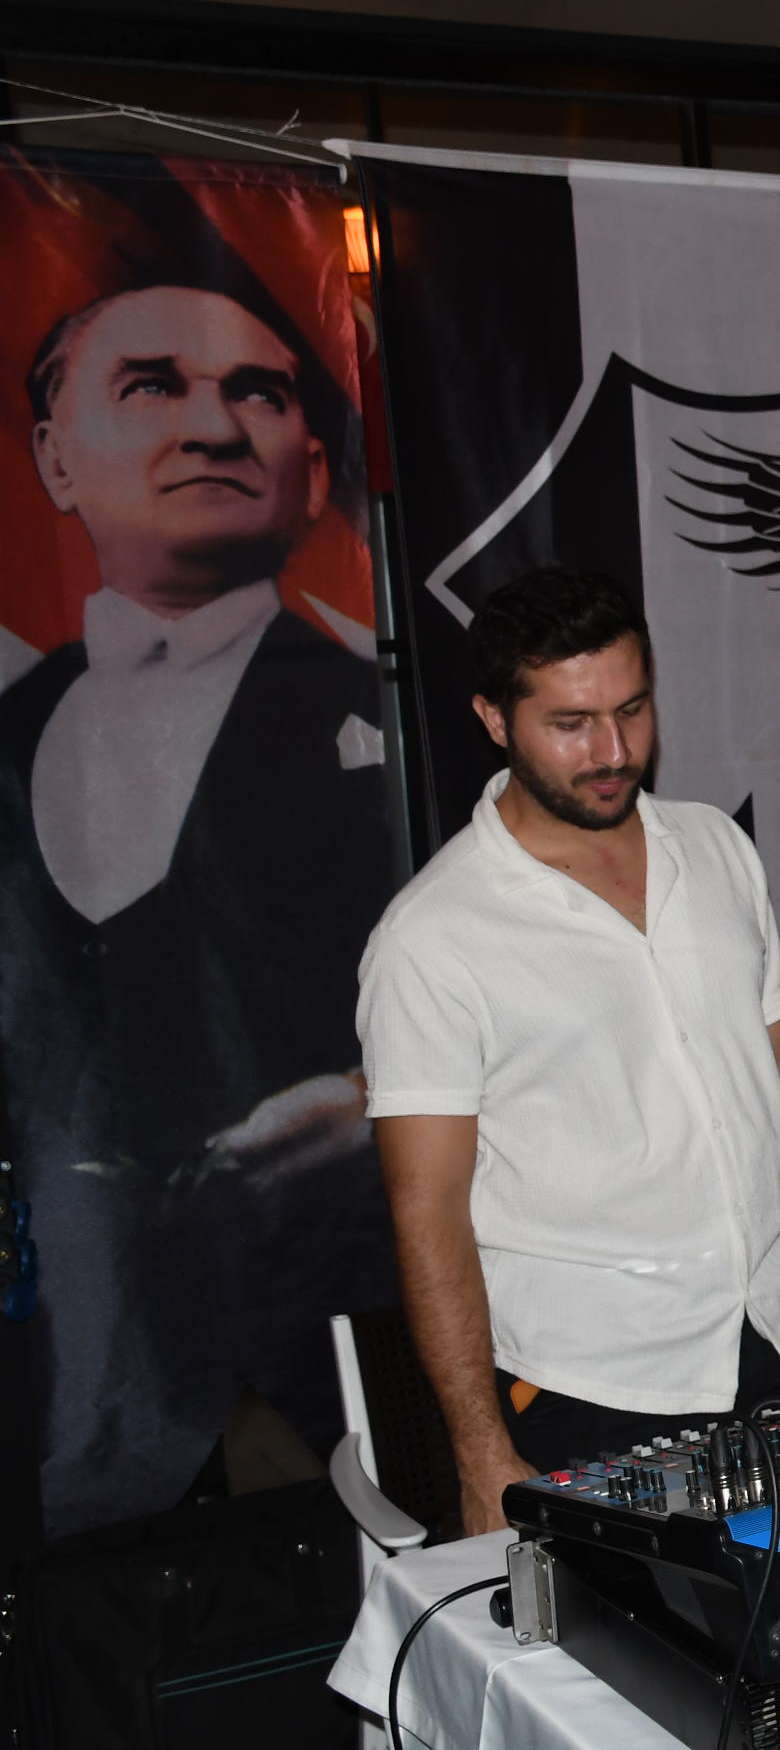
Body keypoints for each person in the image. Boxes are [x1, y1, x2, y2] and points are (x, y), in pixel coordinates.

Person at [0, 282, 395, 1535]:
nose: (215, 427)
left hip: (338, 1366)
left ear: (314, 473)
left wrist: (372, 1101)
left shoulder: (408, 727)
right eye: (153, 384)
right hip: (82, 1399)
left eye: (257, 394)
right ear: (55, 459)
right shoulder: (7, 731)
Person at [358, 567, 780, 1535]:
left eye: (632, 710)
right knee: (649, 1638)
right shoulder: (432, 936)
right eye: (571, 723)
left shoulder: (714, 846)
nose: (613, 752)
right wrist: (482, 1453)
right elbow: (428, 1209)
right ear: (494, 718)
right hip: (600, 1385)